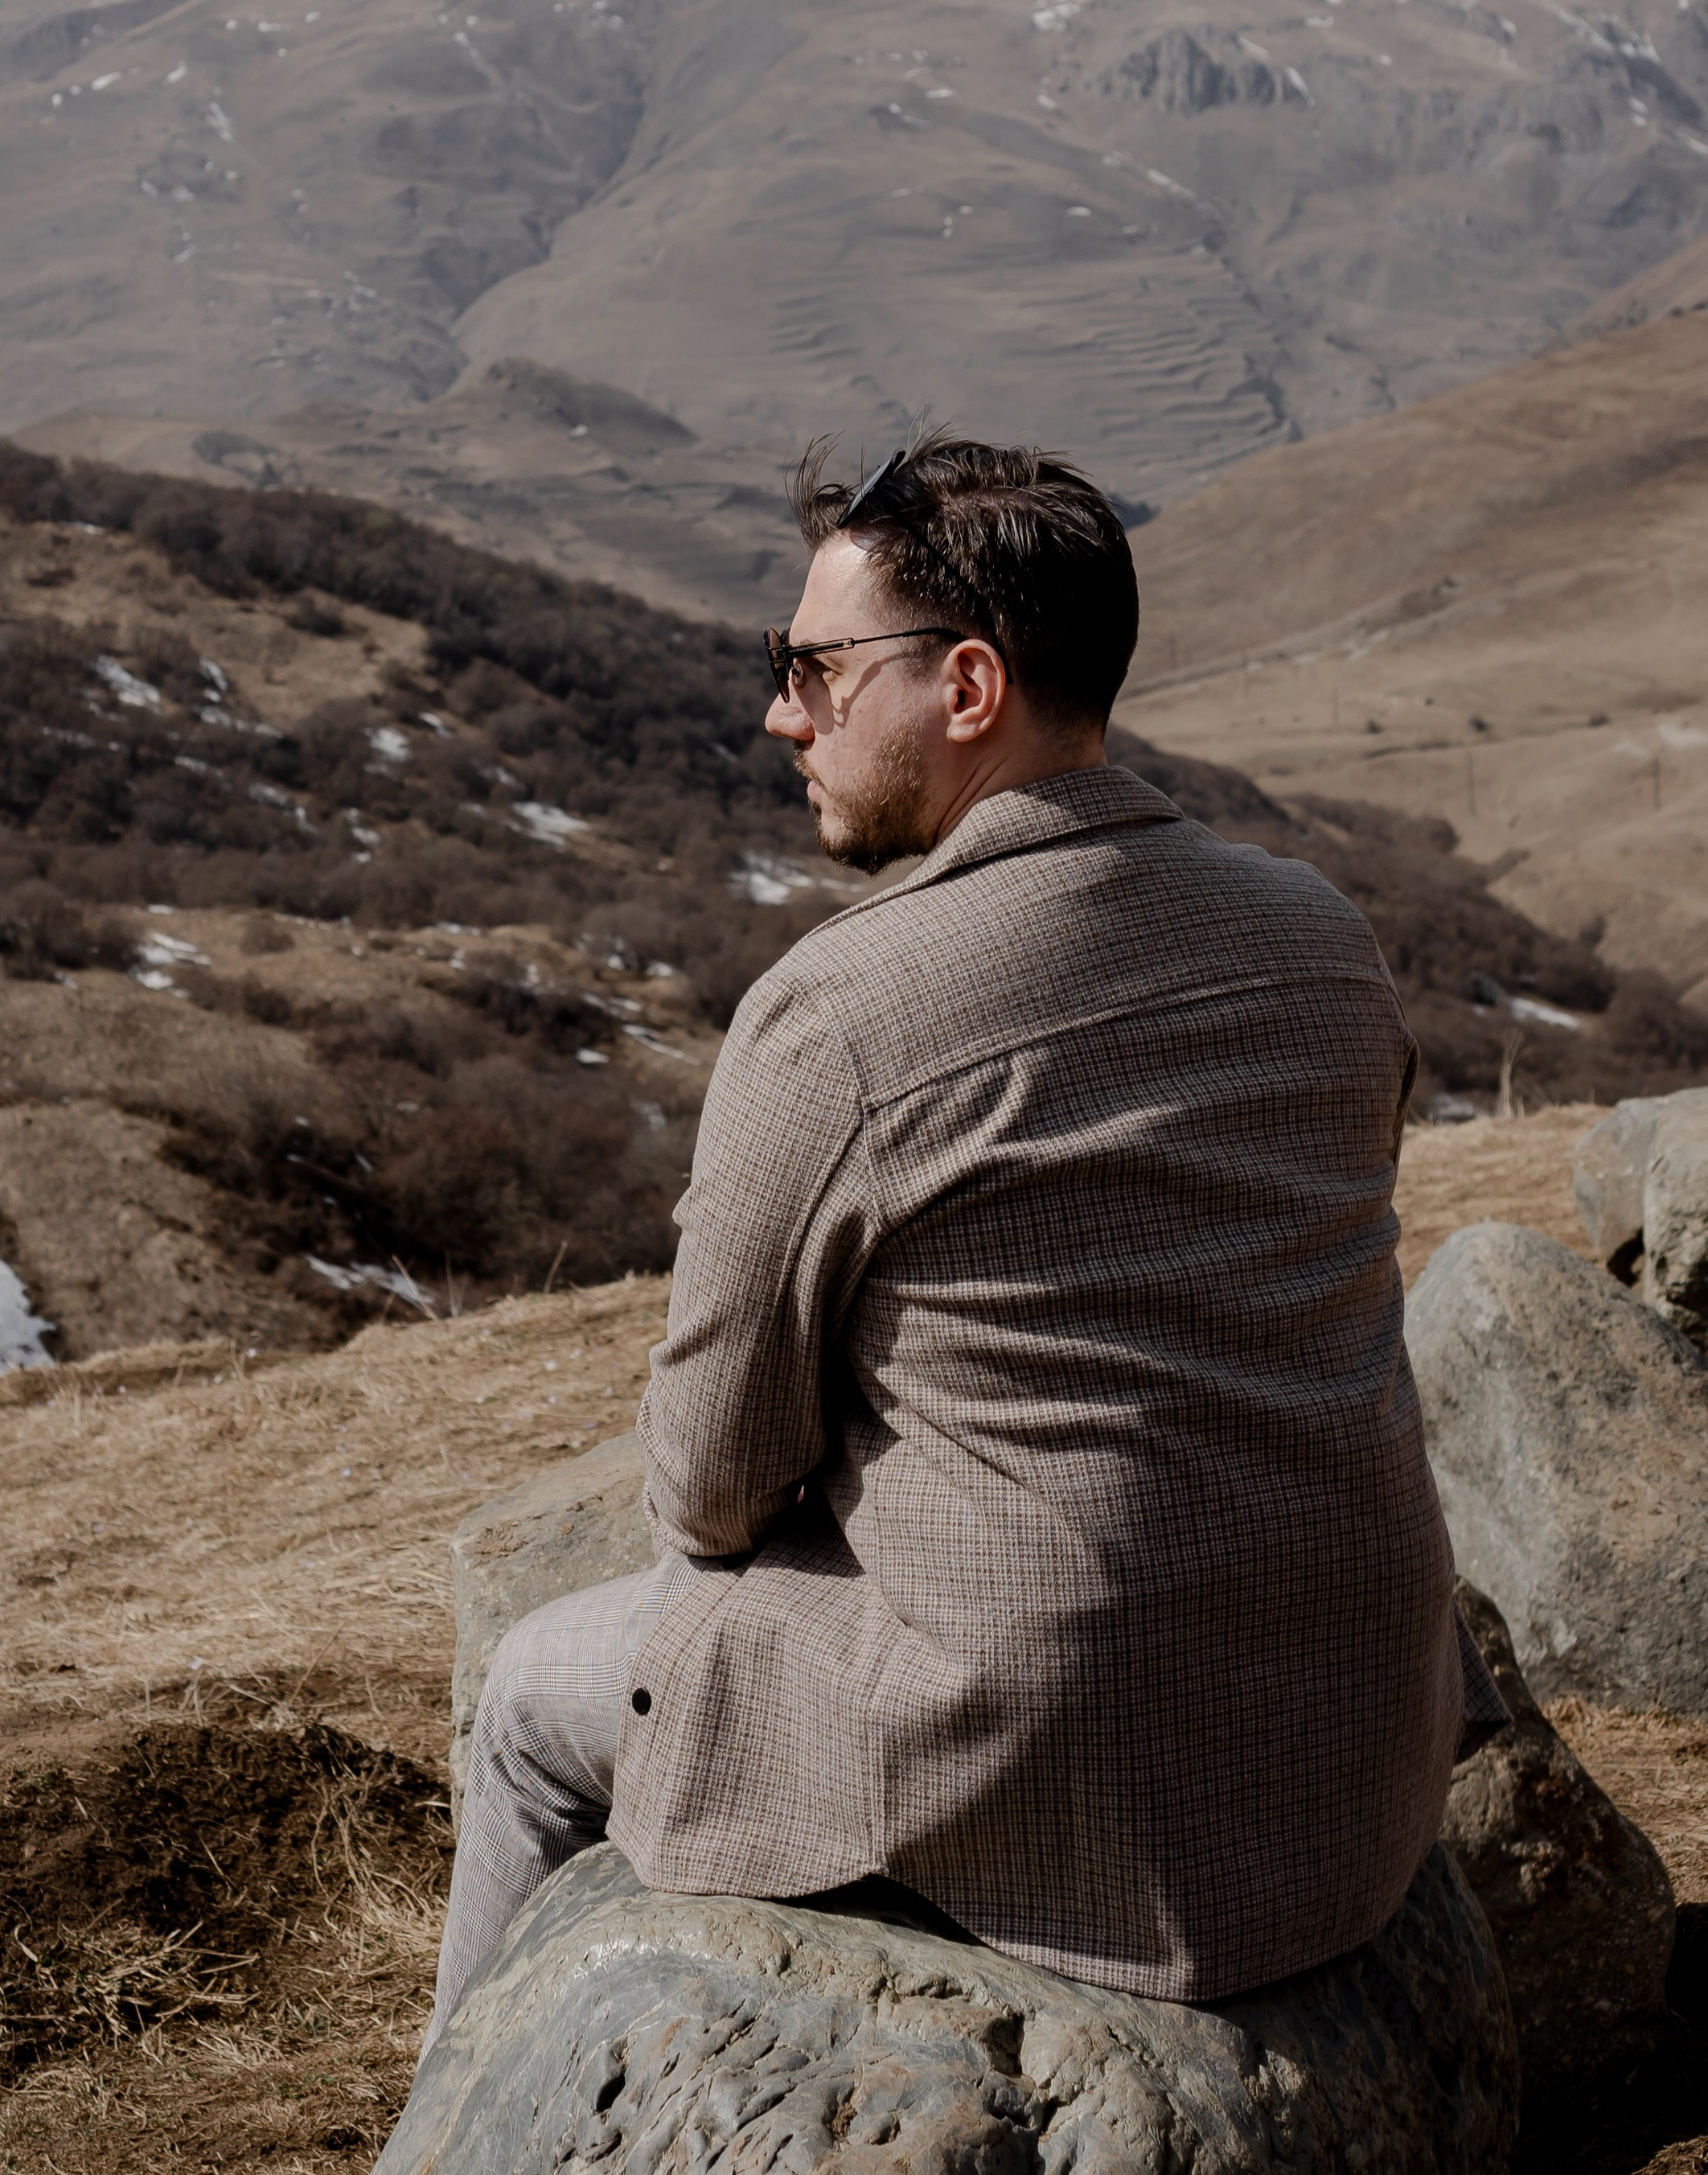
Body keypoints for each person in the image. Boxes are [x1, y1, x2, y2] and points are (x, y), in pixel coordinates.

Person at [421, 433, 1501, 2049]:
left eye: (813, 668)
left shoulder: (843, 1010)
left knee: (526, 1693)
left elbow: (708, 1485)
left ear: (969, 686)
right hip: (1346, 1743)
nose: (782, 713)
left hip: (1060, 1761)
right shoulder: (1320, 937)